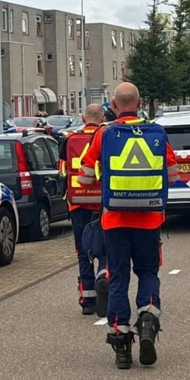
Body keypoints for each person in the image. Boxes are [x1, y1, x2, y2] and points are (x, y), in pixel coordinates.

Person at [78, 83, 179, 369]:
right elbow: (172, 176)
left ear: (113, 105)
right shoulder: (156, 133)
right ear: (140, 102)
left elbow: (84, 177)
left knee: (118, 278)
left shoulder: (104, 134)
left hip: (115, 221)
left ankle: (121, 343)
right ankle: (147, 320)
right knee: (148, 272)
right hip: (149, 220)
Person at [59, 104, 108, 316]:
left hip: (77, 203)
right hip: (103, 204)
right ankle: (104, 277)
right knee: (106, 247)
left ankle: (88, 300)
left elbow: (62, 170)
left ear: (82, 118)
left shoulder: (69, 139)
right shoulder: (107, 136)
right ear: (103, 118)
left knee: (83, 251)